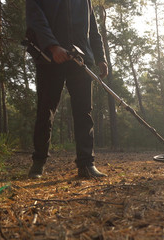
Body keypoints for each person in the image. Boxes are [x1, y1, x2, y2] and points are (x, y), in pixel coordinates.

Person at [26, 0, 108, 179]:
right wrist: (53, 46)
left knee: (84, 112)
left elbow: (92, 27)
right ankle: (38, 163)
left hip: (80, 59)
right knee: (45, 111)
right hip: (49, 59)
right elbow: (35, 18)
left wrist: (100, 57)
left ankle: (86, 164)